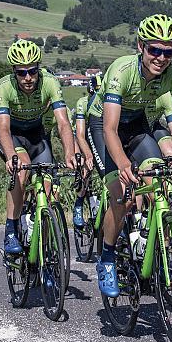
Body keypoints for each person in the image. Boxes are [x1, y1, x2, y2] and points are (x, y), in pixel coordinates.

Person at [87, 13, 172, 297]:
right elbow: (109, 129)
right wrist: (121, 164)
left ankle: (154, 246)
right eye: (154, 50)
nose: (161, 57)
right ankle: (107, 258)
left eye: (167, 51)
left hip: (135, 125)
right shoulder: (122, 71)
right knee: (120, 197)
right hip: (103, 125)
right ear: (140, 47)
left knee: (159, 179)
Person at [0, 39, 76, 255]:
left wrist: (69, 152)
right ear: (14, 72)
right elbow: (2, 128)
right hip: (13, 136)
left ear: (39, 68)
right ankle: (11, 229)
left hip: (38, 136)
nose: (28, 78)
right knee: (22, 171)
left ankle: (45, 254)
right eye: (22, 73)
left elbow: (63, 123)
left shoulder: (50, 82)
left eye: (32, 71)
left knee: (50, 192)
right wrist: (11, 155)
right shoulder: (4, 86)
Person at [72, 75, 100, 229]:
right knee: (86, 168)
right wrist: (88, 155)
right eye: (96, 90)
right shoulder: (83, 103)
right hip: (83, 139)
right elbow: (79, 136)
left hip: (100, 137)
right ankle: (78, 204)